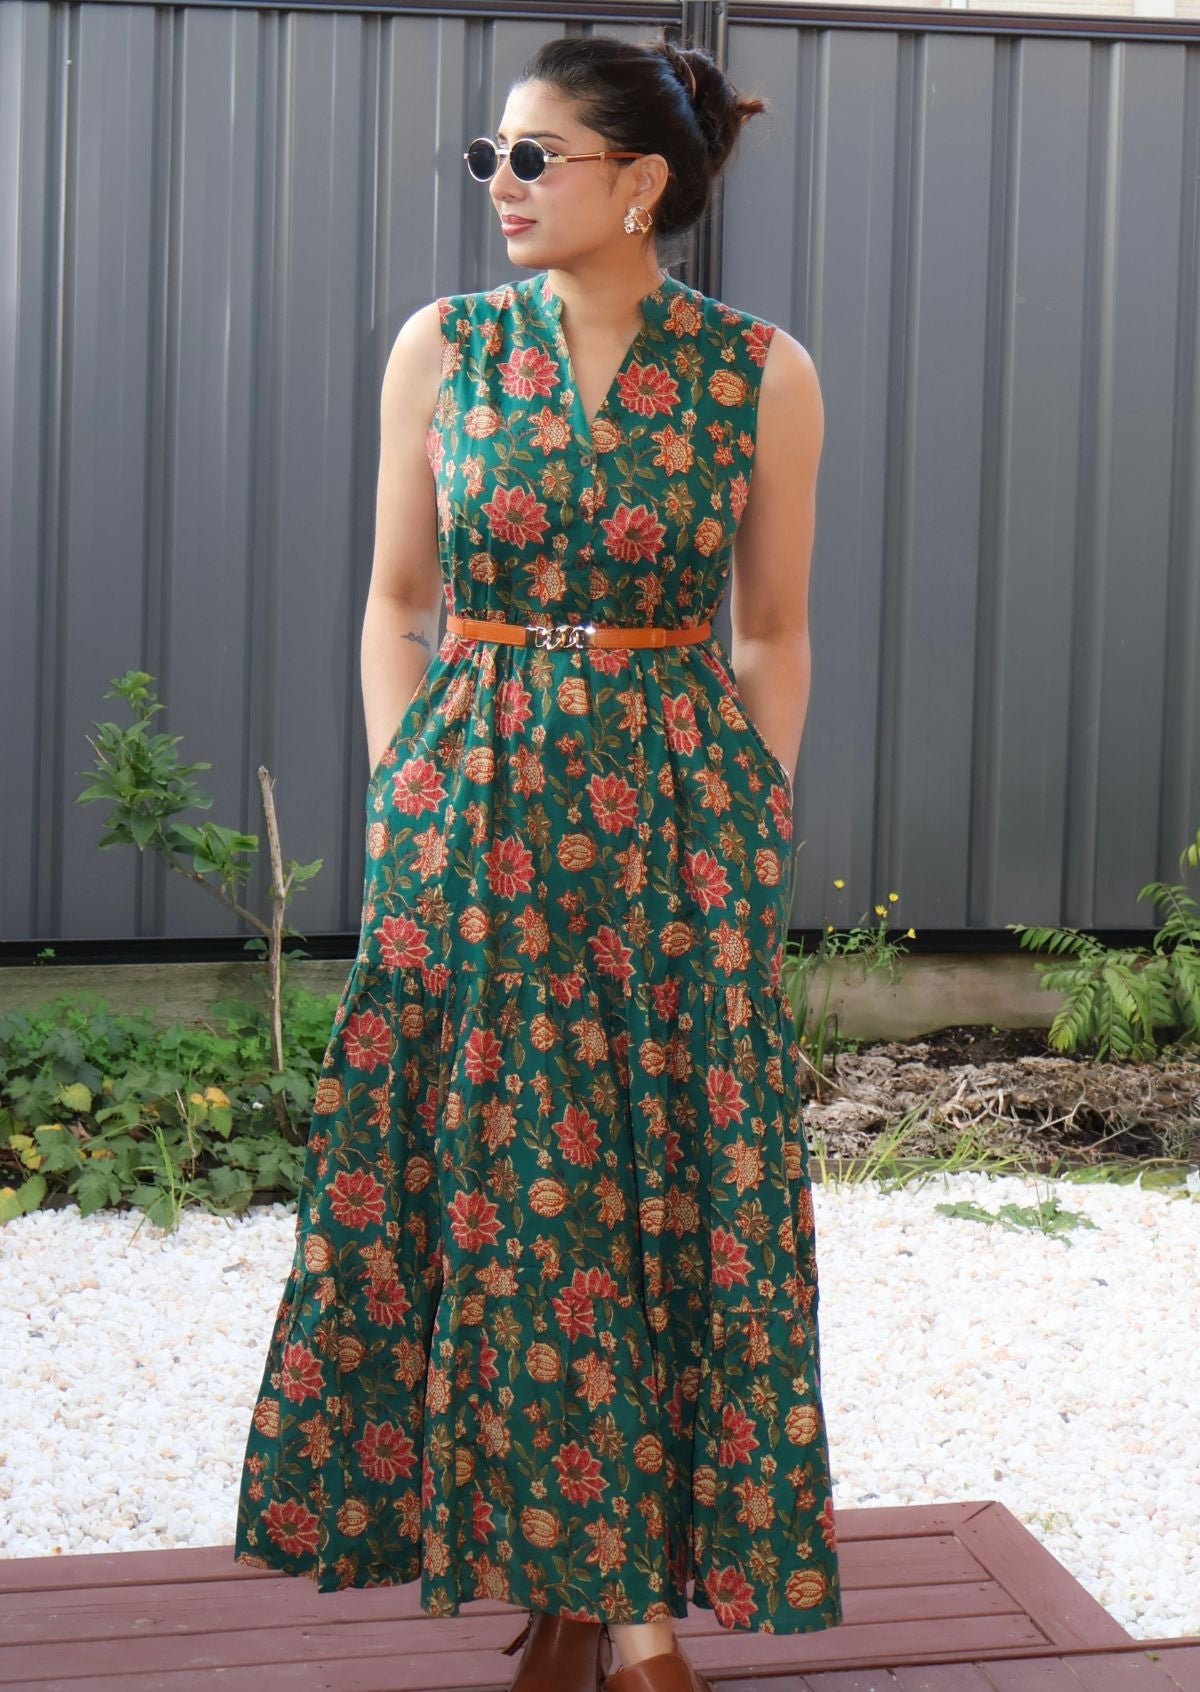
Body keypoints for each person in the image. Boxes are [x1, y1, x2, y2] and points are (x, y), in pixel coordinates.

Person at [232, 29, 841, 1692]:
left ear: (638, 183)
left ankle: (630, 1605)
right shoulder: (443, 347)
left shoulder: (760, 372)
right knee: (504, 1181)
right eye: (487, 158)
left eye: (531, 156)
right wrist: (402, 786)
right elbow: (395, 600)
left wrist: (746, 813)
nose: (496, 185)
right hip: (472, 809)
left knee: (651, 1184)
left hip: (672, 825)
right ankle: (572, 1582)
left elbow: (772, 631)